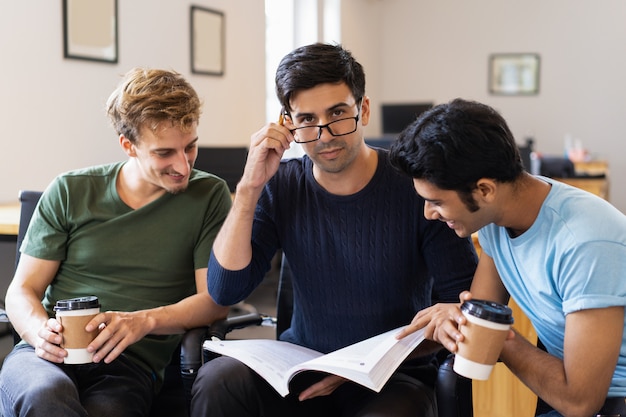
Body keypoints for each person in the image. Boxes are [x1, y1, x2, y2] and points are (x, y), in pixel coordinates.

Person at [190, 43, 477, 417]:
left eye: (338, 113)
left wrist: (361, 368)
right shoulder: (281, 186)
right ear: (288, 124)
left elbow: (462, 305)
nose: (324, 135)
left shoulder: (417, 189)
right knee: (218, 381)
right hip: (303, 365)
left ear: (364, 110)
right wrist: (249, 187)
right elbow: (226, 289)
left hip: (392, 375)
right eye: (307, 119)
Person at [0, 68, 232, 417]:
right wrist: (37, 333)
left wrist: (144, 321)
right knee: (46, 394)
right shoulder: (70, 190)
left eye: (191, 147)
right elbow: (21, 291)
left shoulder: (209, 196)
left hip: (128, 365)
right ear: (129, 146)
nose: (183, 167)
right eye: (164, 153)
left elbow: (214, 302)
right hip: (43, 356)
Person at [389, 98, 626, 417]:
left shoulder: (585, 242)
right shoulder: (496, 221)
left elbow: (581, 402)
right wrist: (453, 321)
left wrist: (500, 340)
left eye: (437, 202)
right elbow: (479, 315)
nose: (429, 214)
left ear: (484, 190)